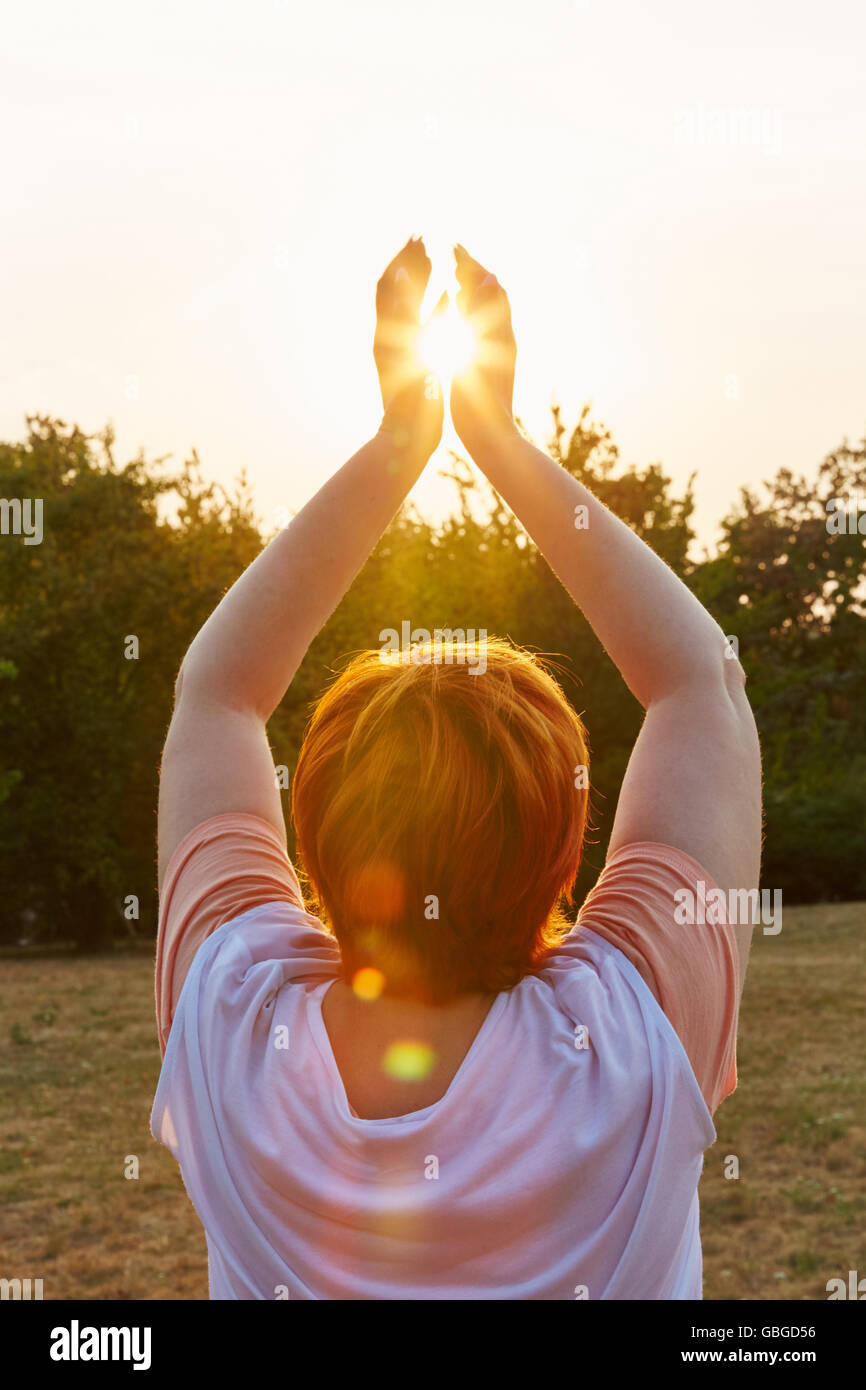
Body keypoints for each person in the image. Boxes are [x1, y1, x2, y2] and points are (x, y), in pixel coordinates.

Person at [151, 237, 762, 1299]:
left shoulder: (235, 1025)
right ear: (566, 849)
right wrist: (498, 437)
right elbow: (698, 684)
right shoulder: (631, 1037)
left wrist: (398, 444)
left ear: (314, 844)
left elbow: (217, 692)